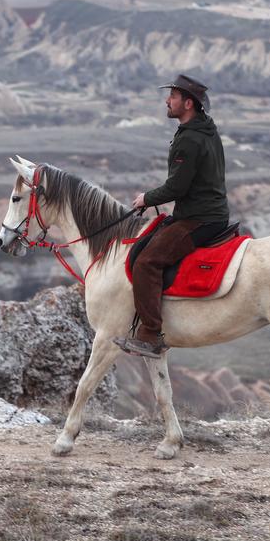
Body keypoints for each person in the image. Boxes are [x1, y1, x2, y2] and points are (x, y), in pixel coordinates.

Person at [114, 75, 233, 358]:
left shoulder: (190, 139)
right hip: (209, 213)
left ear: (188, 103)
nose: (167, 101)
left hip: (198, 218)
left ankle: (150, 334)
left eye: (174, 97)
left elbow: (178, 186)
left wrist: (147, 198)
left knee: (146, 262)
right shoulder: (205, 130)